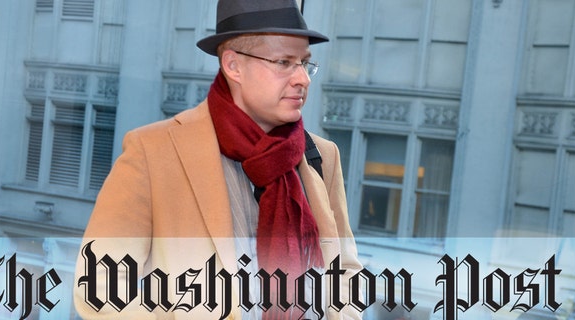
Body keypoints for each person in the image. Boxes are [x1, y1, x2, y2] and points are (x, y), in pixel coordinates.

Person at [74, 0, 363, 319]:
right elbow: (99, 287)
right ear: (233, 66)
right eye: (284, 62)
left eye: (305, 63)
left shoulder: (321, 155)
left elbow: (345, 272)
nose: (303, 79)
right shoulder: (154, 150)